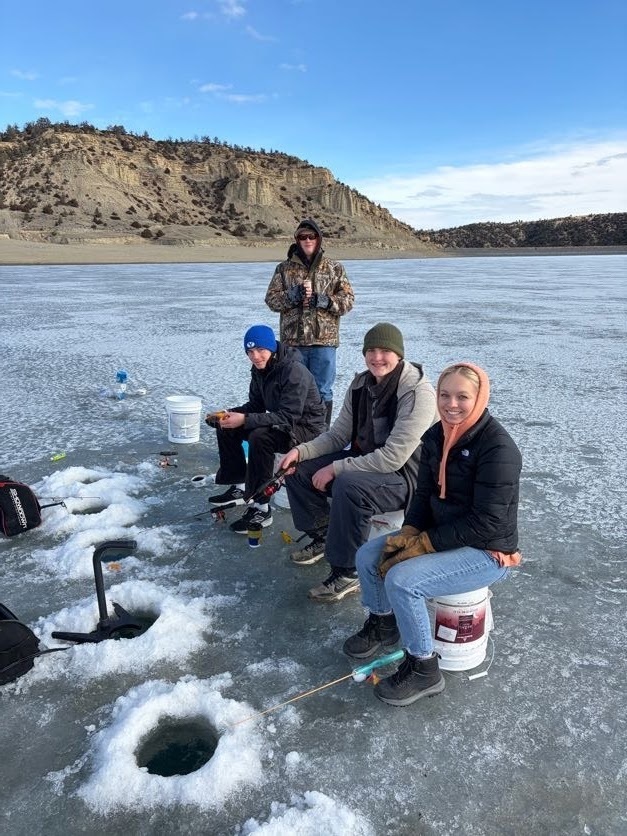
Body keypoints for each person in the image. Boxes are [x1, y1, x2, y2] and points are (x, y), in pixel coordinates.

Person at [343, 362, 522, 707]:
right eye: (445, 395)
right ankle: (383, 624)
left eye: (462, 397)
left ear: (480, 398)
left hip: (486, 551)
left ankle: (424, 668)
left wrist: (422, 545)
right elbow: (423, 495)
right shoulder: (436, 436)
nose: (451, 404)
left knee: (403, 580)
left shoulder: (498, 450)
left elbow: (487, 523)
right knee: (368, 556)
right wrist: (409, 531)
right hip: (441, 533)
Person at [279, 323, 438, 602]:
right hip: (367, 461)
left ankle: (348, 571)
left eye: (385, 351)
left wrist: (336, 468)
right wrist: (301, 451)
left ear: (399, 355)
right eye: (371, 351)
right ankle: (323, 534)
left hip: (406, 475)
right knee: (299, 470)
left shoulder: (417, 392)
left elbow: (393, 457)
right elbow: (339, 434)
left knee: (348, 484)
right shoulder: (361, 383)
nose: (377, 357)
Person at [207, 324, 326, 534]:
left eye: (260, 350)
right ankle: (239, 484)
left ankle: (261, 508)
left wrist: (244, 419)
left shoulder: (293, 370)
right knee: (227, 427)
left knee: (260, 437)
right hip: (283, 422)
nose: (255, 356)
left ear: (271, 348)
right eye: (250, 352)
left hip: (305, 430)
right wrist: (228, 414)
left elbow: (290, 416)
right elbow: (255, 406)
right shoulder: (261, 369)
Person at [265, 218, 354, 427]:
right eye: (303, 237)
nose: (307, 240)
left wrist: (324, 301)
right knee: (294, 389)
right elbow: (271, 300)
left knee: (322, 390)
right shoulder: (284, 269)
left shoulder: (334, 268)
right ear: (297, 240)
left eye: (311, 236)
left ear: (319, 239)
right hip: (293, 343)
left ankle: (322, 437)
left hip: (324, 342)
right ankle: (294, 435)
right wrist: (293, 295)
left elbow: (348, 301)